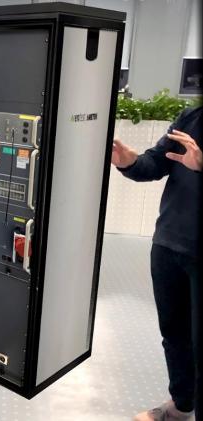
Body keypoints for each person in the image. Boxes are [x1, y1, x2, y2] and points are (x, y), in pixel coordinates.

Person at [112, 106, 202, 421]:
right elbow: (157, 161)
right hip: (169, 244)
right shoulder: (192, 117)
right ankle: (181, 405)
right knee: (175, 335)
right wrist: (130, 162)